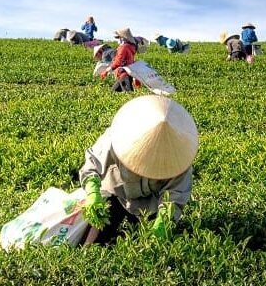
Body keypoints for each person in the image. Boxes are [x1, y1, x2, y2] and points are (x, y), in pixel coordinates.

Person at [79, 95, 198, 244]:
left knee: (148, 246)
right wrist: (92, 192)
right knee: (93, 244)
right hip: (116, 195)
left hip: (151, 206)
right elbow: (92, 164)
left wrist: (162, 223)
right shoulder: (117, 136)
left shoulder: (180, 158)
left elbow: (174, 197)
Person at [101, 28, 139, 92]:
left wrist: (106, 70)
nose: (118, 40)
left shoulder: (123, 47)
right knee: (112, 92)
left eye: (119, 37)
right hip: (126, 75)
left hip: (123, 75)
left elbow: (118, 62)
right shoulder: (131, 47)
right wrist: (135, 78)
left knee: (128, 95)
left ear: (123, 38)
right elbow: (132, 63)